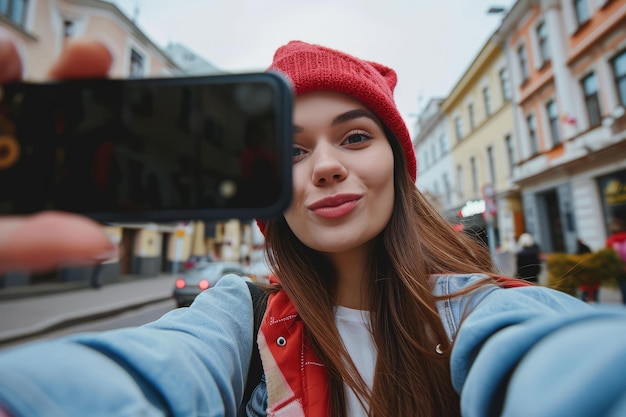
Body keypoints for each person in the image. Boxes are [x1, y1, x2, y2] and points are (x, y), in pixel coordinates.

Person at [2, 38, 626, 417]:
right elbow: (152, 371)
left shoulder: (482, 312)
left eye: (355, 137)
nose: (326, 167)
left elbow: (557, 360)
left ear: (397, 166)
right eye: (290, 150)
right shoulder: (236, 317)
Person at [606, 217, 626, 304]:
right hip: (620, 270)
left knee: (624, 291)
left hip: (619, 270)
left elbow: (608, 258)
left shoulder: (611, 241)